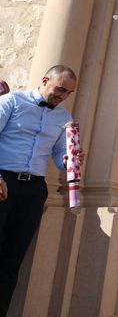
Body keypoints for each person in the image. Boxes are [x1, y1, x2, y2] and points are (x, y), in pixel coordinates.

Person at [0, 65, 85, 316]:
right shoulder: (12, 101)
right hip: (3, 183)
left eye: (68, 93)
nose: (62, 96)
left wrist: (70, 160)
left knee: (12, 260)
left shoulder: (64, 118)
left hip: (34, 191)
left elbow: (60, 155)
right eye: (60, 89)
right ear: (45, 80)